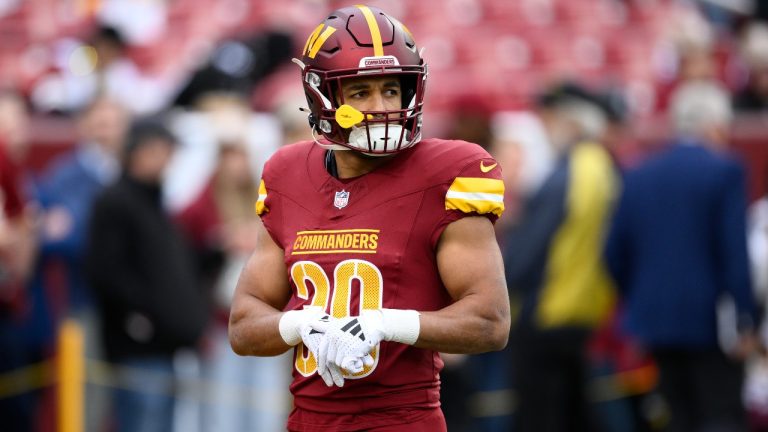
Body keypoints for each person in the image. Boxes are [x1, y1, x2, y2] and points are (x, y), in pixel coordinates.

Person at [228, 5, 510, 431]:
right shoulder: (286, 174)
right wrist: (301, 324)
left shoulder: (448, 171)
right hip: (308, 422)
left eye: (392, 90)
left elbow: (490, 321)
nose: (381, 107)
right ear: (323, 98)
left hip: (401, 420)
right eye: (360, 92)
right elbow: (244, 325)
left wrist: (385, 324)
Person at [605, 80, 757, 432]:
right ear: (715, 124)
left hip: (654, 320)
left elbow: (614, 251)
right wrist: (745, 319)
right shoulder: (725, 170)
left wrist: (639, 299)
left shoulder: (639, 173)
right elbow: (733, 253)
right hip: (711, 323)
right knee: (718, 415)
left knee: (674, 415)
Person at [502, 82, 619, 432]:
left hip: (548, 309)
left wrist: (499, 285)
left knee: (539, 415)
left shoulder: (570, 172)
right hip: (582, 306)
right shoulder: (601, 166)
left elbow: (529, 250)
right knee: (574, 410)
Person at [85, 119, 209, 432]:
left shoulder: (154, 203)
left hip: (164, 346)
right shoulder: (115, 202)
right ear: (137, 152)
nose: (167, 160)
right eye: (160, 150)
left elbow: (171, 270)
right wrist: (139, 318)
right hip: (137, 349)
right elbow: (104, 271)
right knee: (144, 422)